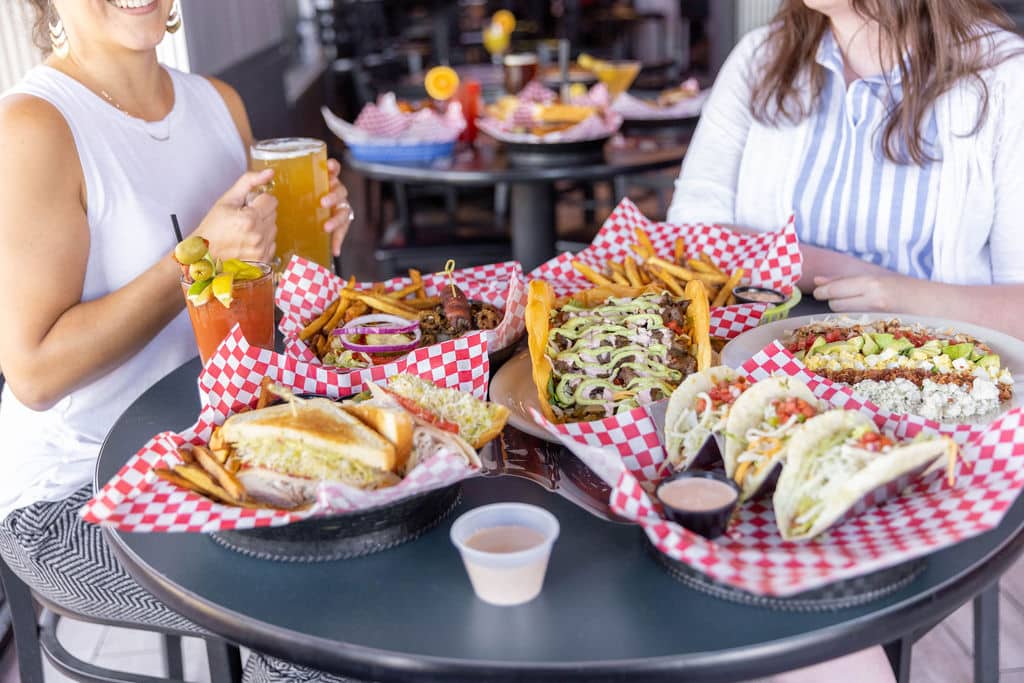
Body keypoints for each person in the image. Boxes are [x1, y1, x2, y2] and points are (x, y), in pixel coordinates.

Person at [0, 0, 352, 678]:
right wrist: (192, 258)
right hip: (77, 491)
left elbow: (248, 305)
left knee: (376, 535)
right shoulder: (34, 126)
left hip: (219, 451)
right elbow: (34, 371)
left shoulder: (217, 103)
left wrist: (311, 246)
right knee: (303, 601)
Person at [668, 0, 1024, 337]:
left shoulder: (1006, 78)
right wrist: (844, 272)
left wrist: (906, 298)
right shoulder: (760, 57)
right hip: (769, 369)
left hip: (943, 379)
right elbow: (688, 237)